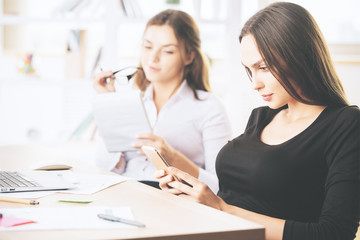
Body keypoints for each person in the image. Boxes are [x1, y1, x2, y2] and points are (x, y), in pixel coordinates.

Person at [156, 2, 359, 240]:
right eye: (249, 70)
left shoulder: (346, 124)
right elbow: (238, 198)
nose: (255, 83)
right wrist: (194, 195)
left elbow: (333, 234)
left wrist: (222, 209)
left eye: (263, 67)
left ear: (299, 56)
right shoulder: (261, 117)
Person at [93, 9, 231, 192]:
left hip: (174, 202)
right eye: (148, 47)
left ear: (189, 56)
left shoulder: (210, 107)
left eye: (167, 51)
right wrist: (108, 107)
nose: (153, 58)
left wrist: (173, 158)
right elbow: (109, 169)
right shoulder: (130, 102)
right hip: (126, 193)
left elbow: (221, 188)